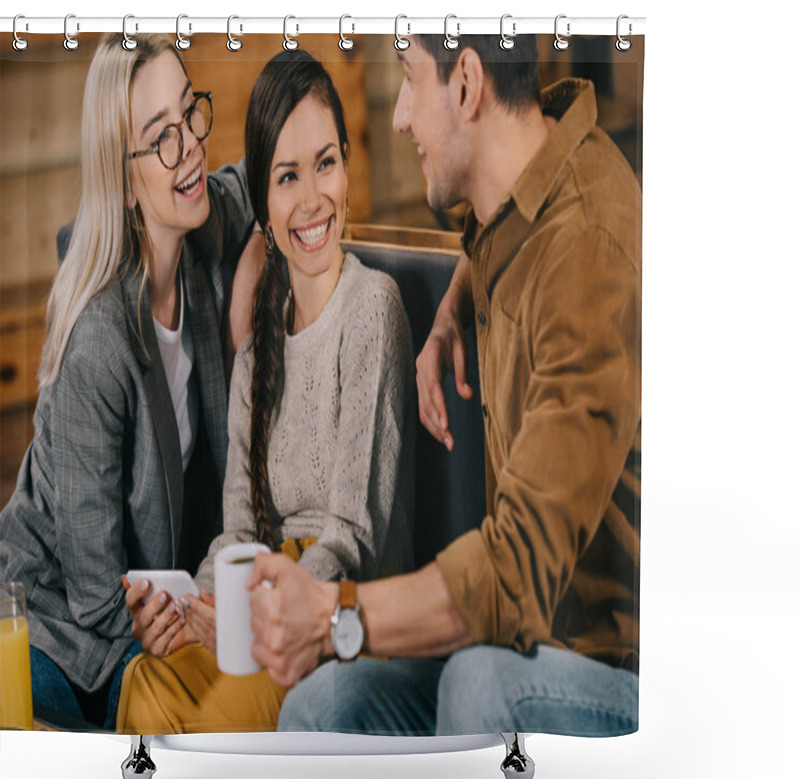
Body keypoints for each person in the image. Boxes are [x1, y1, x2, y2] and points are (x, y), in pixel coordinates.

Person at [247, 33, 641, 737]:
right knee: (320, 706)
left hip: (611, 671)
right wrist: (451, 313)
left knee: (478, 681)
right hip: (516, 641)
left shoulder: (588, 250)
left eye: (407, 80)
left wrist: (337, 614)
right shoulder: (525, 180)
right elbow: (499, 218)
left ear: (465, 84)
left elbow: (514, 574)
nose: (399, 117)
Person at [115, 50, 415, 735]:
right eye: (286, 177)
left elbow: (353, 538)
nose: (311, 199)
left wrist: (261, 614)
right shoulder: (259, 348)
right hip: (262, 608)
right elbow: (241, 533)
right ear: (262, 197)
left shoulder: (373, 308)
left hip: (335, 617)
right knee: (147, 678)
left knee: (215, 723)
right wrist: (194, 604)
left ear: (347, 163)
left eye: (326, 163)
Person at [0, 33, 259, 729]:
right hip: (58, 629)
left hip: (148, 611)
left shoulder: (203, 228)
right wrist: (180, 621)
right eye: (161, 138)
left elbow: (266, 170)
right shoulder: (98, 345)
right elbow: (93, 598)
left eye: (190, 114)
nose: (191, 147)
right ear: (121, 179)